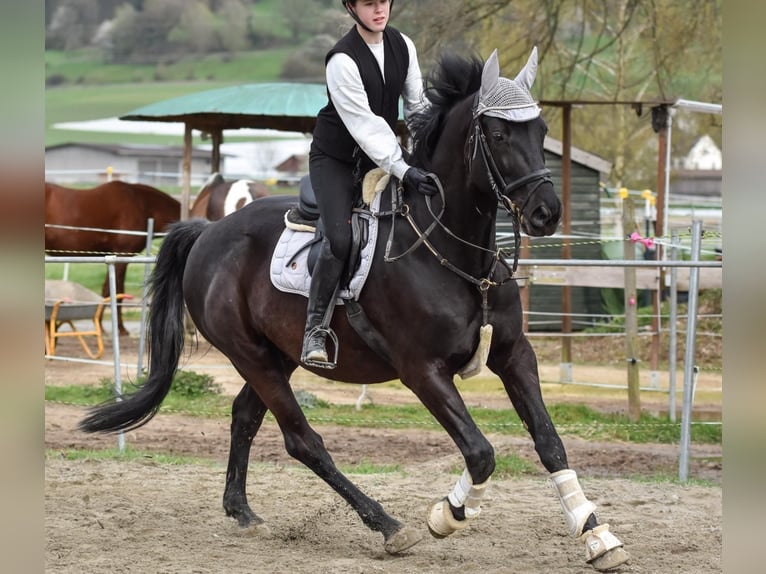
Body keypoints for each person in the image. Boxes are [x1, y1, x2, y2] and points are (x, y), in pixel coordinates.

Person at [302, 0, 437, 367]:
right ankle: (315, 328)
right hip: (337, 161)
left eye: (383, 1)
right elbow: (365, 124)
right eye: (368, 3)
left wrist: (430, 152)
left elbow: (417, 106)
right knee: (341, 238)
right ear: (351, 7)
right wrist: (403, 168)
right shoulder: (341, 60)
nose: (379, 10)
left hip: (384, 156)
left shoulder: (403, 46)